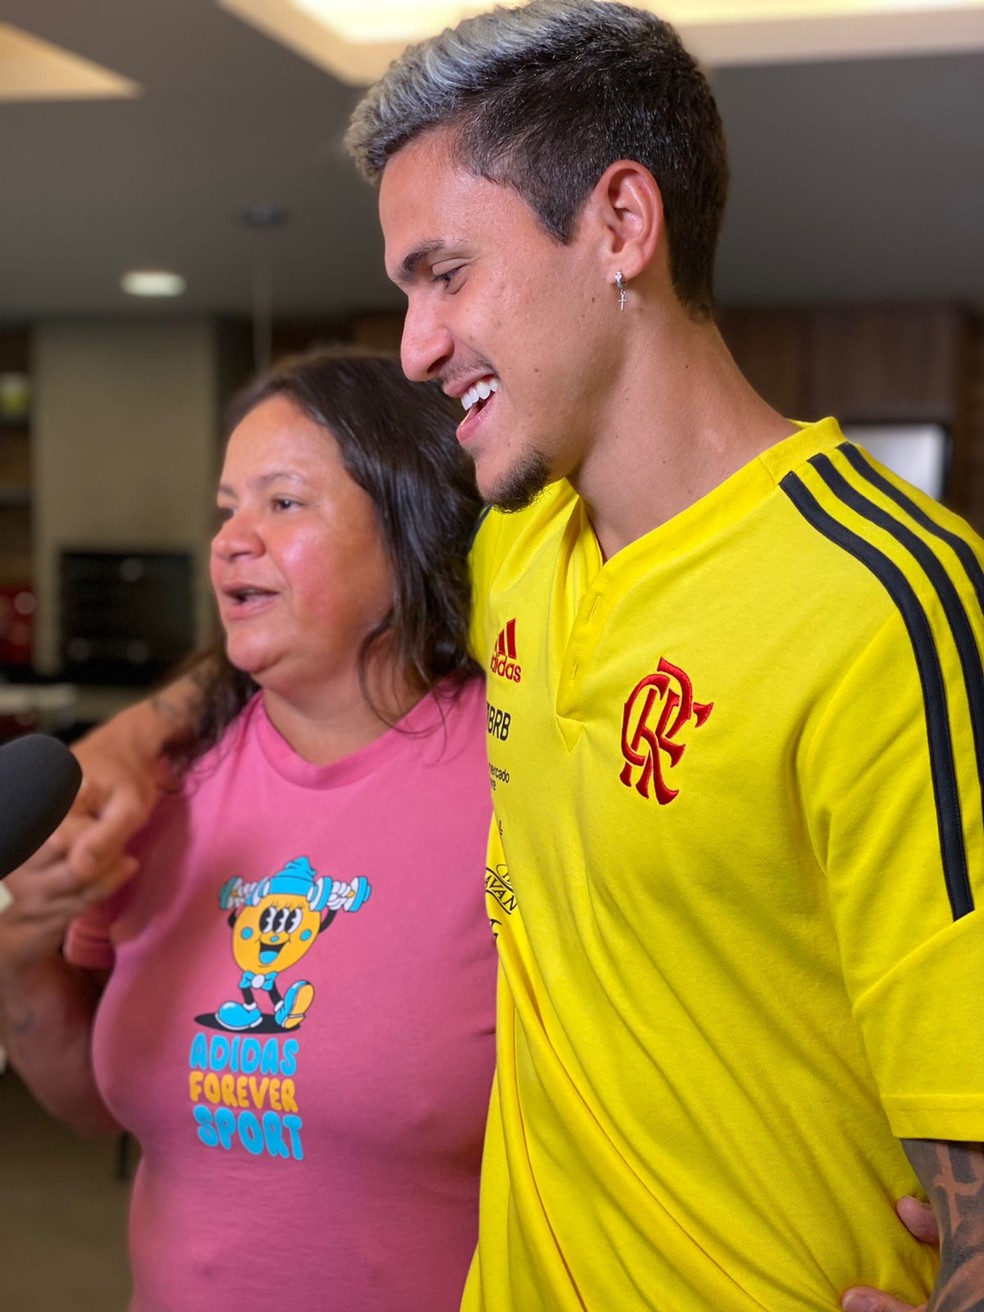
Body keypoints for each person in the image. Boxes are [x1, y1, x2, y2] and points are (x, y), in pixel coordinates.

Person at [31, 2, 984, 1309]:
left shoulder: (882, 600)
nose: (416, 344)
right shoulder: (516, 553)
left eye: (446, 273)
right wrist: (134, 742)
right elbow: (308, 638)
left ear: (620, 226)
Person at [0, 348, 497, 1312]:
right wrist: (23, 956)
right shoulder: (158, 788)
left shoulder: (517, 769)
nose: (231, 539)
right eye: (227, 506)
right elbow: (93, 1107)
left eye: (282, 502)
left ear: (409, 523)